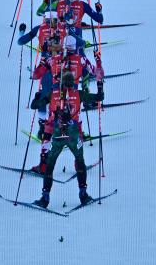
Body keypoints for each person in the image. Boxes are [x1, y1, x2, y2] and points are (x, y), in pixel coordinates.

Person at [30, 70, 104, 208]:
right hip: (73, 135)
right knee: (80, 161)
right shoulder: (79, 94)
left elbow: (35, 106)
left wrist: (36, 96)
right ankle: (83, 195)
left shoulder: (53, 94)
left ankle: (45, 198)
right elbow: (100, 97)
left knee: (50, 165)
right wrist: (99, 83)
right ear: (73, 83)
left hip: (58, 134)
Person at [29, 36, 103, 174]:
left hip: (55, 96)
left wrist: (43, 59)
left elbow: (36, 75)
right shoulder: (81, 59)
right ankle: (78, 163)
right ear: (75, 47)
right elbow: (98, 74)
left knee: (49, 129)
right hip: (74, 96)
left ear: (63, 46)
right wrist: (98, 61)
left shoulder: (54, 59)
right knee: (76, 127)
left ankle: (44, 164)